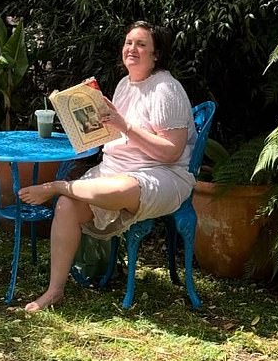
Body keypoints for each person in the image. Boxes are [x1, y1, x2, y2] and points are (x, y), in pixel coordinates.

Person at [18, 21, 197, 313]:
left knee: (121, 186)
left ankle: (57, 186)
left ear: (156, 54)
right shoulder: (125, 83)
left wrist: (123, 125)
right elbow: (114, 136)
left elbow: (171, 152)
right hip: (115, 169)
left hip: (161, 174)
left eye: (141, 44)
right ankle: (54, 291)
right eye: (129, 43)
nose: (132, 49)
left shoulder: (166, 89)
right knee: (66, 206)